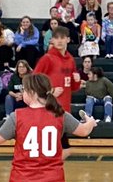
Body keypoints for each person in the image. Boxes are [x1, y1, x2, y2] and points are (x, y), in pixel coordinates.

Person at [34, 27, 80, 155]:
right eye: (57, 38)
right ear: (52, 40)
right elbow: (33, 80)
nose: (59, 41)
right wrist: (49, 92)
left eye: (62, 38)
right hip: (48, 109)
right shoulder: (47, 58)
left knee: (64, 149)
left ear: (68, 40)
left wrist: (76, 80)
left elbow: (73, 88)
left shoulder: (70, 60)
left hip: (63, 109)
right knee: (53, 147)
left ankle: (48, 171)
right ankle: (44, 171)